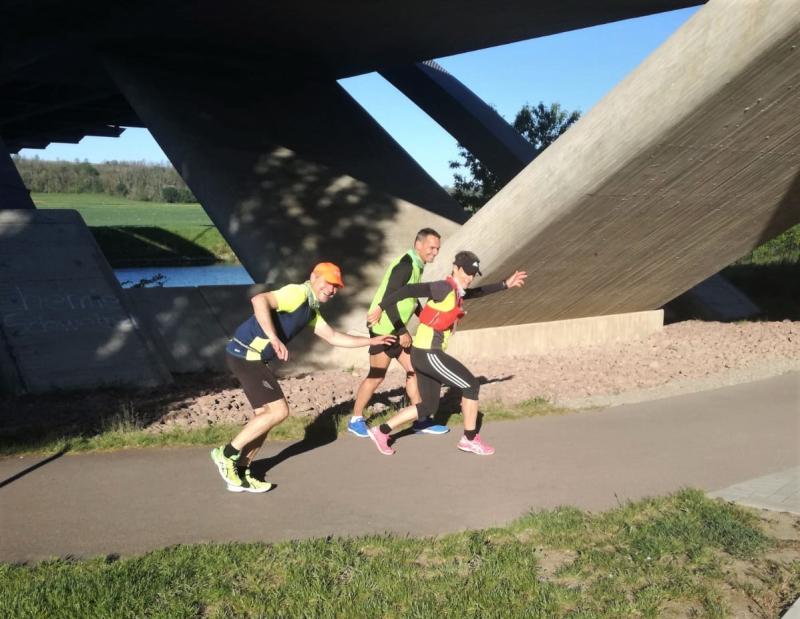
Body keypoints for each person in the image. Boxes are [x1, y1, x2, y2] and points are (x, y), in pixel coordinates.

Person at [211, 262, 395, 492]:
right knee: (279, 411)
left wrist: (371, 341)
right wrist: (273, 338)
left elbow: (333, 337)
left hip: (250, 357)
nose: (331, 289)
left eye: (336, 286)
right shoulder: (297, 293)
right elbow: (259, 300)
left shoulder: (310, 309)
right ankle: (226, 454)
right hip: (246, 355)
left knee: (264, 418)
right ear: (314, 277)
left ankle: (240, 471)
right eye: (328, 283)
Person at [365, 251, 526, 456]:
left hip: (422, 353)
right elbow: (408, 290)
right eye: (466, 272)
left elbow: (477, 292)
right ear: (456, 268)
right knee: (471, 386)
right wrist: (380, 307)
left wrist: (505, 284)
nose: (469, 277)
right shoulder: (444, 287)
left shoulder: (457, 291)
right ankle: (469, 439)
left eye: (473, 274)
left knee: (428, 406)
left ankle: (381, 431)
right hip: (428, 353)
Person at [347, 228, 450, 438]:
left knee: (416, 370)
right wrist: (402, 330)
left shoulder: (417, 264)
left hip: (396, 328)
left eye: (437, 249)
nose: (435, 252)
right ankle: (355, 419)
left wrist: (425, 317)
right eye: (431, 247)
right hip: (384, 329)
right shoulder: (405, 265)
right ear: (418, 244)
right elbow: (389, 297)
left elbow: (409, 296)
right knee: (377, 376)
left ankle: (421, 419)